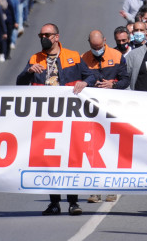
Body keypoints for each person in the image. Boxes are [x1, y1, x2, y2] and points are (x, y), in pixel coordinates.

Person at [16, 23, 92, 216]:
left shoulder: (73, 56)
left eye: (47, 34)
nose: (44, 37)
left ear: (56, 37)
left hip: (69, 115)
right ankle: (54, 202)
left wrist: (85, 82)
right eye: (41, 34)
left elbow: (90, 75)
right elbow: (20, 83)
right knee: (50, 160)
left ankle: (73, 202)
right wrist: (28, 71)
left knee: (70, 158)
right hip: (45, 117)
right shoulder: (35, 58)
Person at [82, 30, 129, 204]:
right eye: (93, 47)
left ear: (105, 41)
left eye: (99, 46)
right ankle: (94, 190)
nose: (97, 50)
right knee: (92, 149)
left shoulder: (117, 56)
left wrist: (112, 85)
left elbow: (126, 80)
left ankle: (112, 188)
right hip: (92, 112)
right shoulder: (84, 58)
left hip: (113, 110)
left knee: (112, 149)